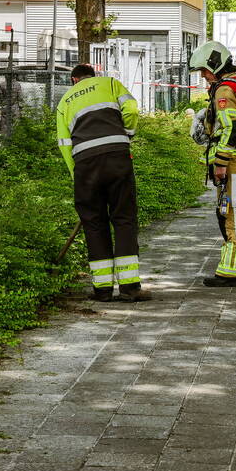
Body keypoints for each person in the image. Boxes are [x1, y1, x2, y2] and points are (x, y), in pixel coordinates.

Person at [56, 63, 152, 302]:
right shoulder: (109, 84)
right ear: (93, 77)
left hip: (85, 165)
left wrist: (77, 177)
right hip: (117, 156)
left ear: (73, 80)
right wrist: (127, 133)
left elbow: (65, 145)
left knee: (94, 224)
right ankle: (130, 287)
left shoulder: (64, 101)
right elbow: (130, 107)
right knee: (123, 218)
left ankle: (103, 290)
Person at [190, 41, 236, 287]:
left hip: (233, 162)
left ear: (214, 66)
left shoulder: (224, 90)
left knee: (233, 214)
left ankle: (231, 271)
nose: (203, 77)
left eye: (204, 71)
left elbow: (229, 129)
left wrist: (220, 163)